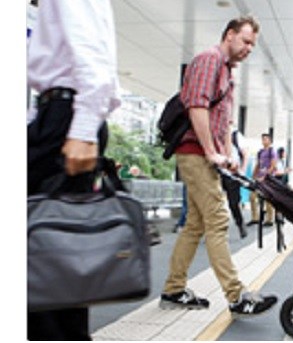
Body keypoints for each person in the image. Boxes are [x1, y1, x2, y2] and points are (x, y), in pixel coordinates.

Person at [159, 16, 277, 317]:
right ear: (229, 35)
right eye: (246, 41)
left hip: (206, 154)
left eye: (252, 44)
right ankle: (237, 297)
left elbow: (223, 122)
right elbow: (196, 106)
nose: (249, 48)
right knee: (218, 219)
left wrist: (229, 155)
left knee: (195, 225)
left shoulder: (227, 73)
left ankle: (174, 288)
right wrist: (212, 152)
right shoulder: (209, 60)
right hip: (194, 152)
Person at [27, 0, 120, 340]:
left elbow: (92, 54)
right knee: (54, 259)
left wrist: (81, 130)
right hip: (63, 116)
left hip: (67, 118)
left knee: (45, 260)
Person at [221, 126, 249, 238]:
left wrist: (242, 171)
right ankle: (215, 231)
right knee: (213, 202)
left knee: (233, 203)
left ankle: (240, 223)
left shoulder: (235, 135)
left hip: (233, 174)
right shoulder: (215, 132)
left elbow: (245, 153)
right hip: (218, 172)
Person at [247, 133, 277, 227]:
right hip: (259, 179)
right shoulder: (260, 152)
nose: (263, 140)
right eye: (262, 139)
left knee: (268, 199)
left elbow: (273, 166)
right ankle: (255, 218)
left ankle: (269, 220)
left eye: (266, 139)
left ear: (270, 141)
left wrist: (265, 176)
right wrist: (253, 176)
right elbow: (258, 165)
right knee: (252, 197)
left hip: (268, 179)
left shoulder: (272, 151)